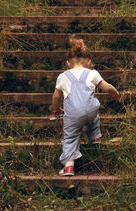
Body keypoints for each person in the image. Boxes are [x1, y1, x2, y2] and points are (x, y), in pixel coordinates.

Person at [49, 36, 119, 176]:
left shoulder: (63, 76)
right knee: (93, 116)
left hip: (73, 114)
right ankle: (95, 137)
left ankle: (69, 166)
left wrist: (56, 110)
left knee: (70, 137)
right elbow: (107, 87)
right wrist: (115, 93)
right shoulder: (92, 73)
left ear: (68, 63)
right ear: (88, 62)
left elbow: (56, 96)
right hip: (92, 110)